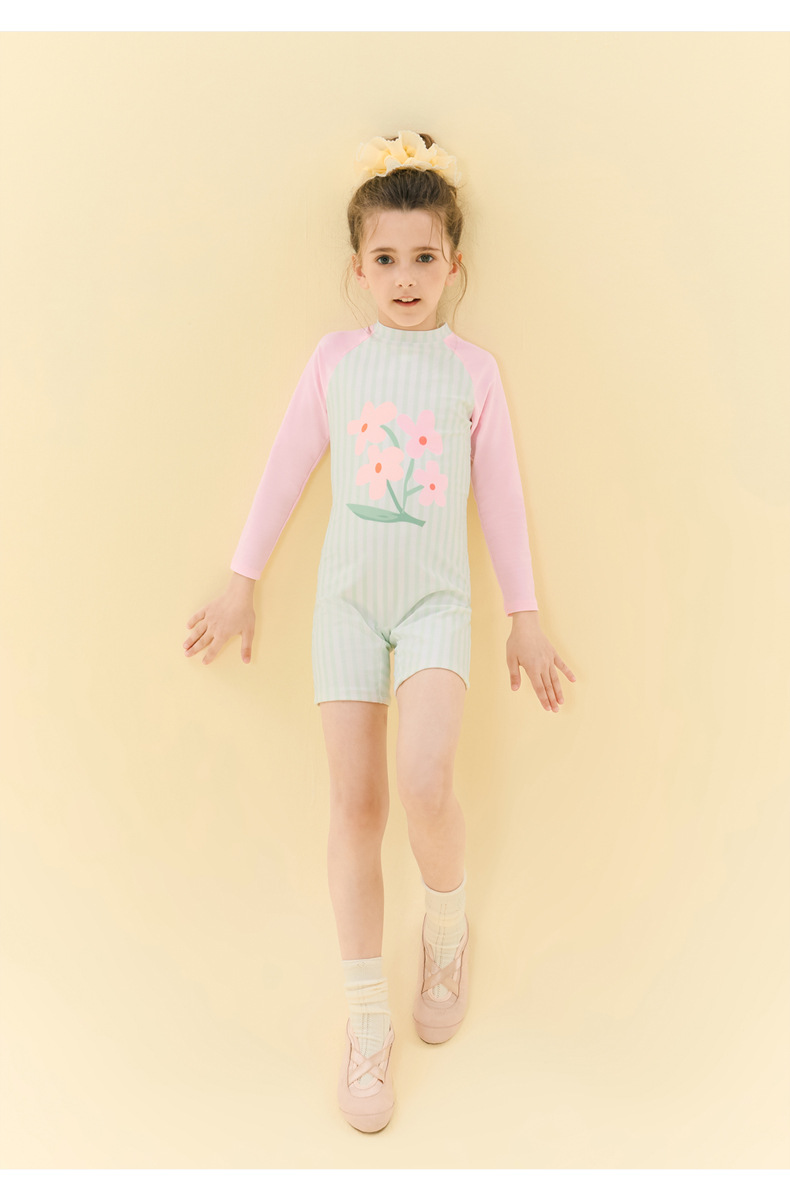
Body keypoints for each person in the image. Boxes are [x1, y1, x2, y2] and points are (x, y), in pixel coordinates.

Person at [182, 129, 576, 1132]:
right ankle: (366, 1023)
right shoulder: (335, 362)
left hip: (437, 606)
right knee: (355, 807)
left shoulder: (473, 372)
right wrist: (240, 581)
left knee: (425, 781)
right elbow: (285, 469)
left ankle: (445, 929)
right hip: (347, 609)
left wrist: (525, 617)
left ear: (455, 264)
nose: (406, 277)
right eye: (386, 258)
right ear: (358, 268)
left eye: (424, 257)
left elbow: (501, 501)